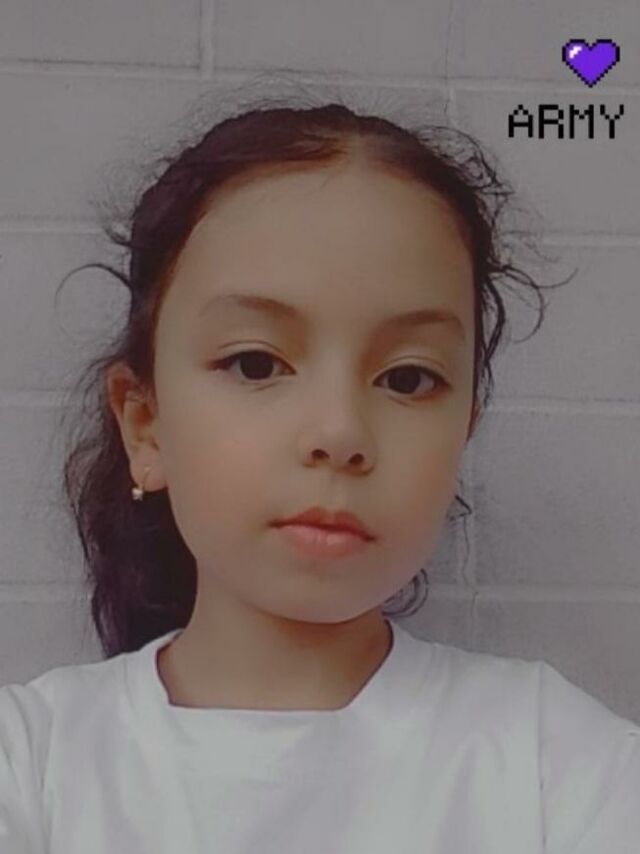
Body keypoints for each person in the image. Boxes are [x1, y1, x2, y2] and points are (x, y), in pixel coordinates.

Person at [1, 92, 639, 853]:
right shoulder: (31, 765)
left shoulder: (560, 769)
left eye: (408, 378)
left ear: (463, 428)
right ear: (145, 425)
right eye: (256, 363)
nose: (340, 433)